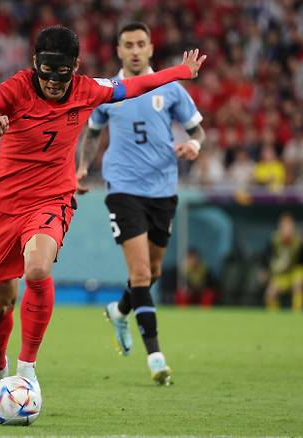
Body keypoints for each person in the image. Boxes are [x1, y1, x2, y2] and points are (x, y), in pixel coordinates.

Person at [0, 25, 205, 395]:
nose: (53, 81)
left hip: (52, 198)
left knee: (38, 268)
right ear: (36, 63)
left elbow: (134, 87)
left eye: (62, 72)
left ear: (75, 66)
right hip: (4, 205)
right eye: (46, 72)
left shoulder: (87, 89)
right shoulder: (15, 89)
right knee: (0, 303)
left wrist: (180, 72)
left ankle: (28, 368)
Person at [75, 22, 206, 385]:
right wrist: (83, 167)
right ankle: (156, 357)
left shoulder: (171, 89)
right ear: (118, 51)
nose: (134, 50)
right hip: (123, 187)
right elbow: (92, 131)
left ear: (150, 49)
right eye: (128, 45)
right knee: (142, 274)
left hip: (163, 188)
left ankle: (119, 310)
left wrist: (194, 146)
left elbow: (197, 130)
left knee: (154, 270)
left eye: (140, 44)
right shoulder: (111, 91)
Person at [260, 213, 303, 311]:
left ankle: (298, 315)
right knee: (270, 293)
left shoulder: (298, 242)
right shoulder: (274, 241)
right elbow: (265, 257)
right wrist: (264, 271)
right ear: (280, 228)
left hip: (295, 272)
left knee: (298, 285)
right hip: (281, 274)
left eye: (289, 227)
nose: (287, 231)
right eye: (284, 227)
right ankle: (274, 317)